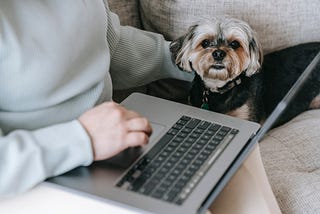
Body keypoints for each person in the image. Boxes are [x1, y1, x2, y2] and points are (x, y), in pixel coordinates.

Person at [0, 0, 281, 213]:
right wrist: (81, 139)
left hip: (113, 146)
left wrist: (195, 60)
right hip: (37, 178)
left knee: (236, 150)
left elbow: (112, 45)